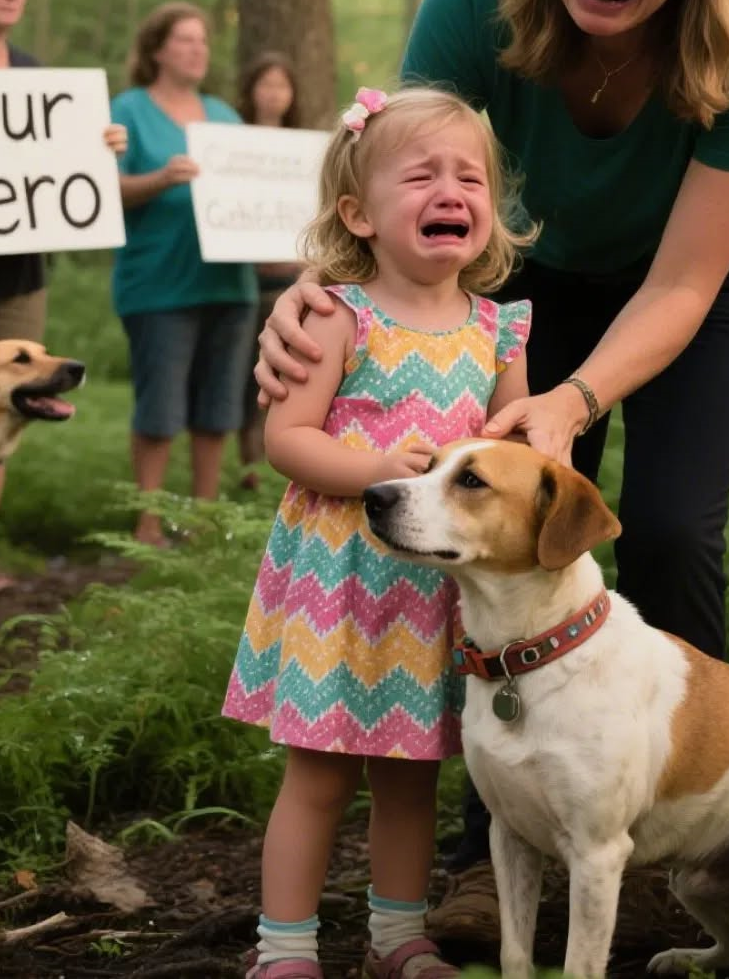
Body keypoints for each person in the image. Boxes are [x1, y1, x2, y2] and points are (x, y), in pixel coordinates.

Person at [255, 0, 729, 938]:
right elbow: (394, 181)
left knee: (661, 519)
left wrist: (574, 399)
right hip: (523, 268)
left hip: (703, 270)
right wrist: (315, 300)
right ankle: (484, 846)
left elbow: (684, 280)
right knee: (487, 522)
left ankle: (668, 839)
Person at [222, 86, 533, 979]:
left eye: (469, 177)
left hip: (437, 596)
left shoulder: (500, 329)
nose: (452, 192)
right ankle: (283, 950)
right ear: (358, 213)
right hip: (343, 581)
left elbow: (509, 448)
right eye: (423, 175)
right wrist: (382, 468)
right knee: (319, 778)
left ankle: (398, 940)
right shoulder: (335, 314)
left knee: (412, 779)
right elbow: (287, 440)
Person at [0, 0, 125, 590]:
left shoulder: (36, 77)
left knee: (5, 411)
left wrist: (97, 144)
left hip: (18, 274)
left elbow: (57, 166)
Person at [111, 2, 258, 546]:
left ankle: (203, 518)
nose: (198, 49)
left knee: (218, 406)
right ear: (156, 50)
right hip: (158, 284)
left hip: (228, 283)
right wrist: (160, 178)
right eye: (184, 40)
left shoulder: (223, 114)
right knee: (160, 407)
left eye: (203, 40)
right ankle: (148, 522)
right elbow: (103, 188)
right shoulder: (128, 109)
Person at [234, 53, 305, 492]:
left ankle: (275, 466)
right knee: (244, 377)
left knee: (280, 376)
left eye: (282, 85)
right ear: (252, 91)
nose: (274, 94)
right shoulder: (229, 144)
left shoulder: (304, 150)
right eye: (266, 84)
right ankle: (248, 468)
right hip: (242, 280)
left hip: (291, 281)